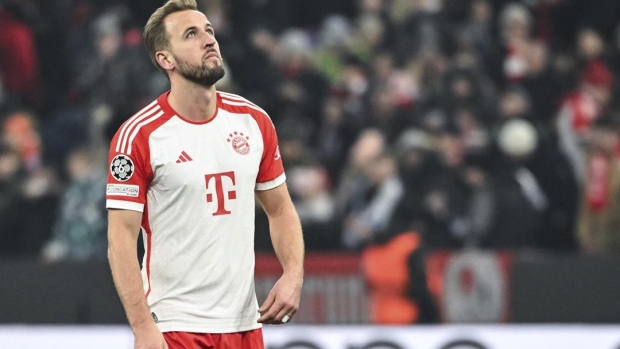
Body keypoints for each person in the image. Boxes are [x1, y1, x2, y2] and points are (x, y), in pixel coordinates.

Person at [105, 1, 305, 348]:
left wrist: (294, 274)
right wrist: (142, 327)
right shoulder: (140, 135)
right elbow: (120, 240)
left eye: (209, 31)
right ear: (165, 59)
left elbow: (280, 208)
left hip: (245, 324)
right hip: (175, 325)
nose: (208, 40)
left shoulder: (253, 121)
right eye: (191, 34)